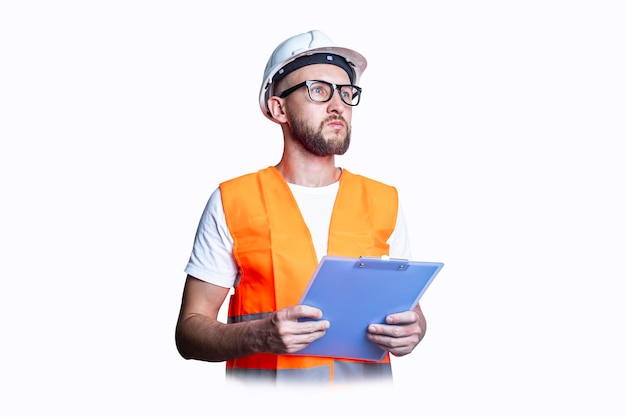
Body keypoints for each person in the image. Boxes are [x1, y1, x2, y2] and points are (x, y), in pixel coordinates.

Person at [175, 29, 427, 385]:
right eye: (318, 90)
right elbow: (188, 333)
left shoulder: (384, 200)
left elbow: (411, 312)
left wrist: (414, 329)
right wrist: (258, 336)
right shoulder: (233, 200)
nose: (338, 104)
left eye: (346, 92)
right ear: (279, 108)